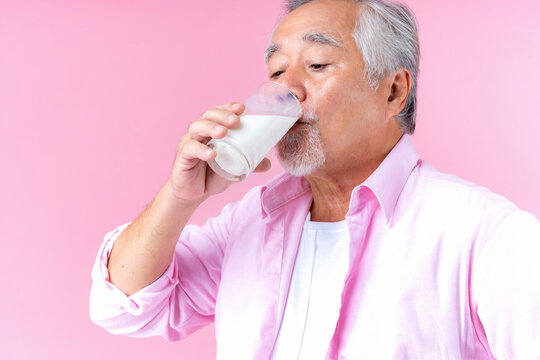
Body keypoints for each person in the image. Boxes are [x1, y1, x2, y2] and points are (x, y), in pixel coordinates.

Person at [89, 0, 540, 358]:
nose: (288, 90)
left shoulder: (487, 236)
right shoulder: (250, 222)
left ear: (394, 91)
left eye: (318, 65)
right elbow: (123, 307)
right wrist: (179, 196)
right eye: (277, 70)